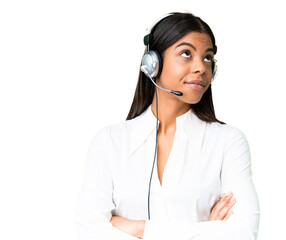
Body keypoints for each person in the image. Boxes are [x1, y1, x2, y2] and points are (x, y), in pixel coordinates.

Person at [75, 12, 260, 240]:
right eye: (186, 53)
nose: (201, 68)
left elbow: (242, 233)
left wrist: (139, 228)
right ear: (152, 63)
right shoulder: (109, 142)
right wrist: (206, 231)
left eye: (207, 58)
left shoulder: (228, 141)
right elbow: (89, 231)